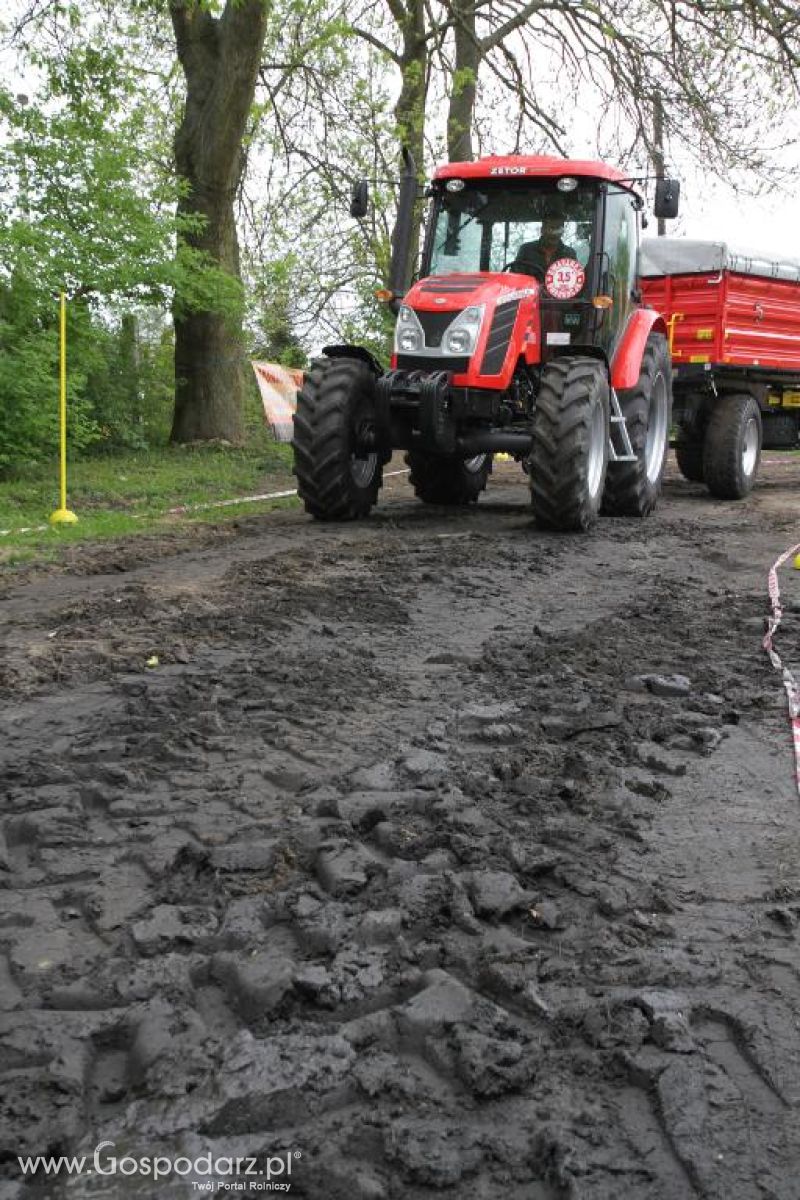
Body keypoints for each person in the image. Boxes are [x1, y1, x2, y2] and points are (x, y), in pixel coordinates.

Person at [508, 216, 578, 279]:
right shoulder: (526, 250)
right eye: (551, 229)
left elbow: (575, 280)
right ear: (542, 230)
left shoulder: (569, 254)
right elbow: (515, 278)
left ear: (562, 232)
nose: (554, 234)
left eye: (558, 229)